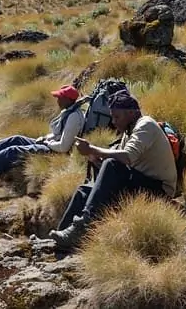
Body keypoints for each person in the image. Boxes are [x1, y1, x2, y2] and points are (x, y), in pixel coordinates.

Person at [48, 89, 177, 247]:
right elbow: (120, 166)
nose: (114, 122)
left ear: (131, 113)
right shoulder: (127, 132)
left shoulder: (146, 125)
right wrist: (96, 160)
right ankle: (63, 235)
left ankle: (83, 227)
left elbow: (127, 157)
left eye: (117, 117)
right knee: (84, 191)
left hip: (160, 191)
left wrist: (93, 149)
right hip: (140, 183)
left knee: (111, 164)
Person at [0, 85, 85, 180]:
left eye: (60, 98)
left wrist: (47, 143)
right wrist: (45, 138)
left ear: (68, 100)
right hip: (52, 145)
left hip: (57, 152)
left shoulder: (74, 117)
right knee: (16, 139)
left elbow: (64, 147)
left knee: (14, 151)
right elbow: (59, 134)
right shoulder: (69, 111)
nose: (57, 100)